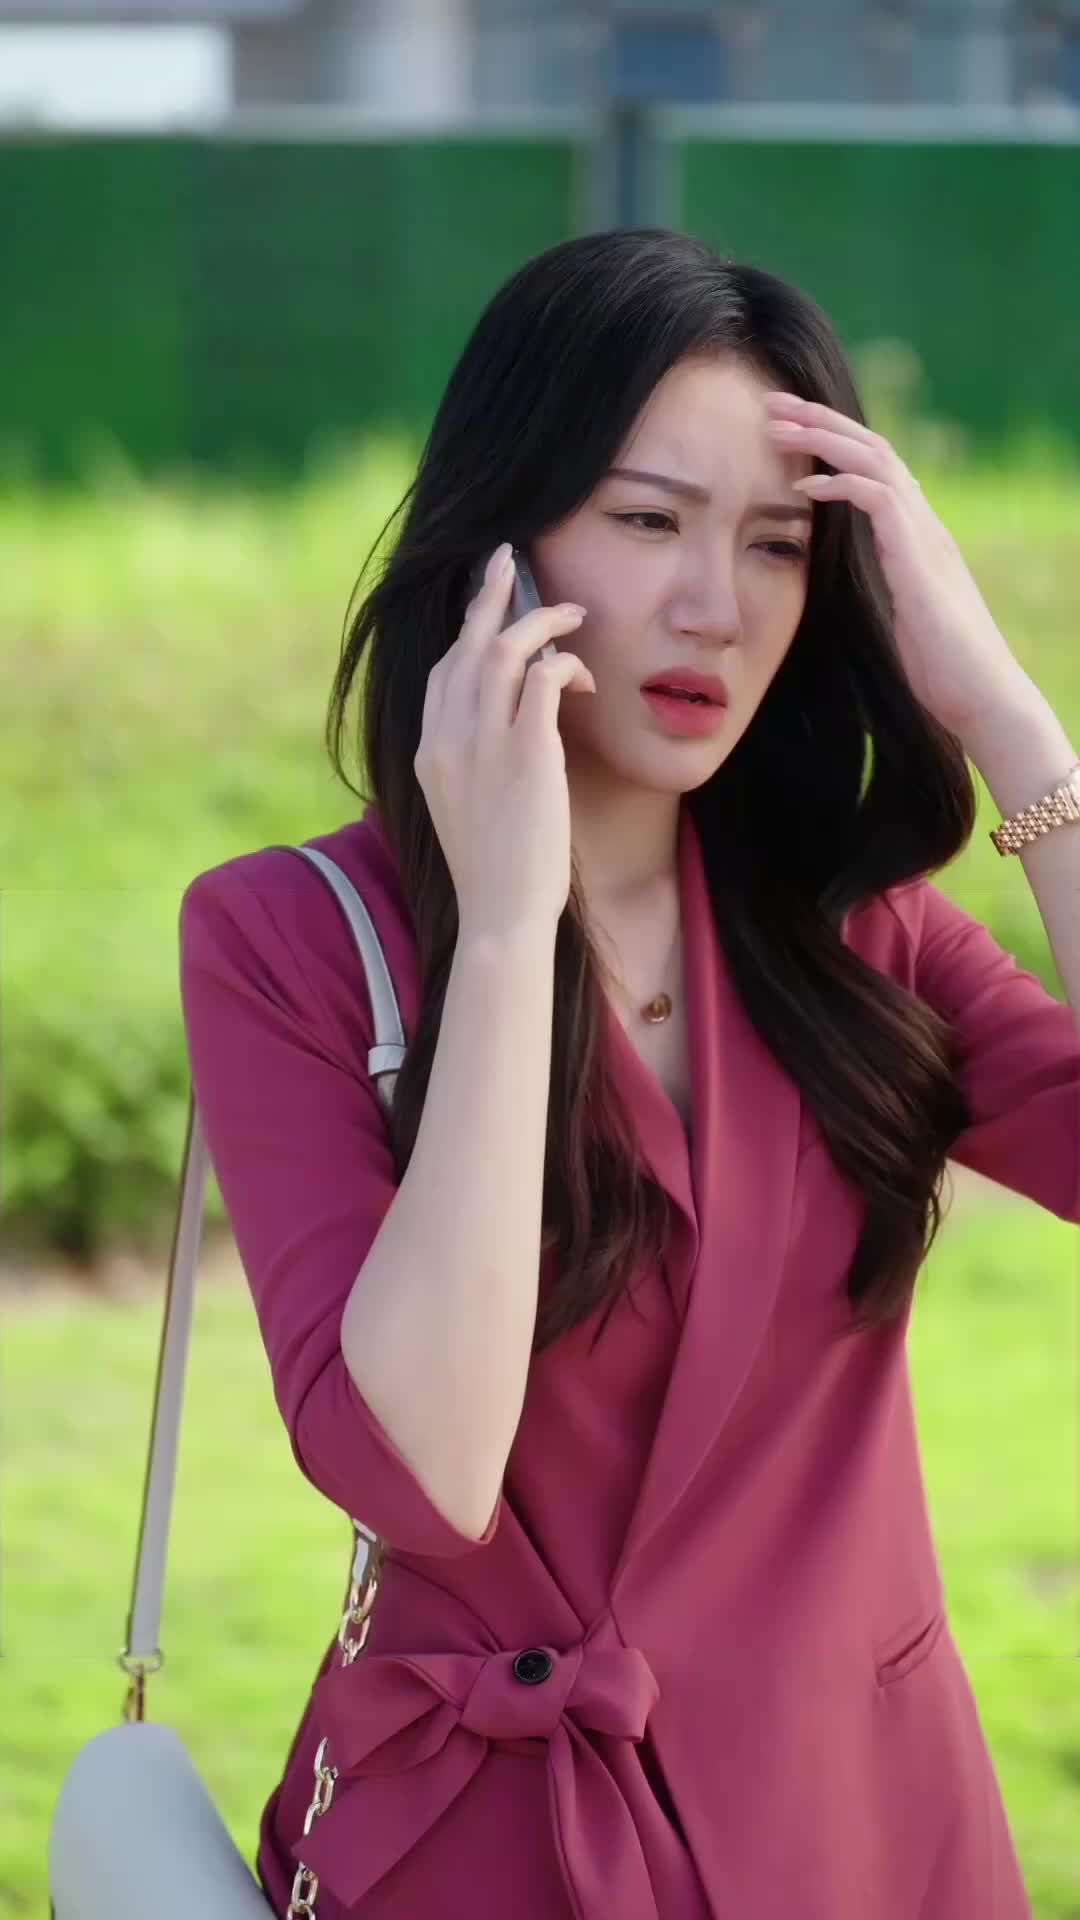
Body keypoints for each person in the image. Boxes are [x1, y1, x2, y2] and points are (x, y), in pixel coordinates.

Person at [178, 227, 1080, 1920]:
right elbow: (423, 1468)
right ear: (500, 541)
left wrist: (1013, 725)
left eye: (777, 544)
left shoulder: (855, 932)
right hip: (487, 1857)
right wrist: (508, 929)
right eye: (651, 520)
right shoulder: (288, 938)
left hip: (859, 1835)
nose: (714, 606)